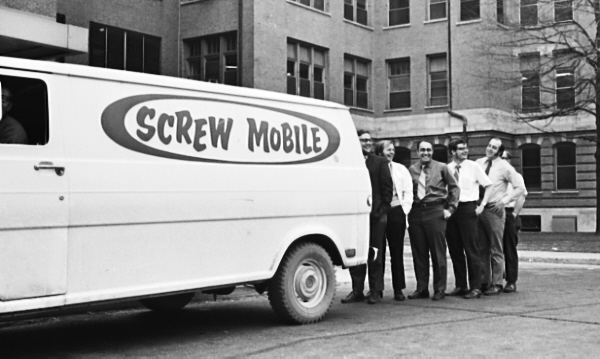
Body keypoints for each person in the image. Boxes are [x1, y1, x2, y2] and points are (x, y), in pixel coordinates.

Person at [342, 130, 393, 305]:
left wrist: (382, 210)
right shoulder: (349, 162)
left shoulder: (379, 162)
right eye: (363, 140)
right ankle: (357, 290)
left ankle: (375, 290)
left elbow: (387, 189)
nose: (367, 143)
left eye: (369, 140)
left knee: (374, 253)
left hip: (376, 216)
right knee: (356, 254)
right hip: (355, 217)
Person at [407, 140, 460, 301]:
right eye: (422, 150)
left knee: (438, 252)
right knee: (419, 252)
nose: (426, 153)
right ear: (417, 152)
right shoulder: (412, 170)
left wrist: (450, 208)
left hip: (435, 211)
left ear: (432, 152)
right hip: (416, 212)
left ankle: (439, 288)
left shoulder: (442, 168)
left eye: (429, 150)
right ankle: (422, 287)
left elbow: (455, 188)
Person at [476, 138, 525, 296]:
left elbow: (520, 188)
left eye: (494, 147)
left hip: (494, 210)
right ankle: (484, 281)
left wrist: (504, 201)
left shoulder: (505, 167)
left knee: (496, 248)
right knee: (482, 248)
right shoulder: (479, 163)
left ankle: (497, 283)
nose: (490, 149)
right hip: (480, 209)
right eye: (489, 145)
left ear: (499, 151)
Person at [445, 139, 492, 300]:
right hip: (451, 211)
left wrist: (482, 205)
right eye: (461, 149)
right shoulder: (447, 169)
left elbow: (488, 185)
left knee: (471, 249)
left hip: (467, 209)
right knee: (455, 249)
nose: (465, 151)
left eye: (466, 148)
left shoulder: (473, 167)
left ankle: (476, 287)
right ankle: (461, 285)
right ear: (452, 152)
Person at [374, 140, 413, 301]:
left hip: (396, 210)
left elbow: (408, 191)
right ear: (380, 151)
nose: (391, 152)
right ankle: (377, 289)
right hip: (378, 212)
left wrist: (404, 210)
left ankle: (398, 288)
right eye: (387, 150)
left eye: (392, 150)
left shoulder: (400, 169)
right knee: (378, 251)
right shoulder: (374, 168)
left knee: (396, 252)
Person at [500, 151, 527, 293]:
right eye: (500, 158)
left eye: (505, 158)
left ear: (510, 160)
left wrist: (514, 214)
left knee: (509, 248)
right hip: (494, 213)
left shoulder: (516, 177)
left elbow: (521, 197)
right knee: (494, 248)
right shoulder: (494, 175)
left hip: (510, 213)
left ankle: (511, 280)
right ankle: (496, 278)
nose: (503, 160)